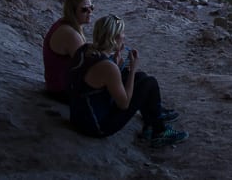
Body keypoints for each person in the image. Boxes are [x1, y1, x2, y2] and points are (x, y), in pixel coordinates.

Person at [68, 15, 188, 146]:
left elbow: (99, 79)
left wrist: (116, 61)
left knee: (141, 77)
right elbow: (124, 104)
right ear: (113, 38)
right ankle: (159, 132)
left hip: (78, 117)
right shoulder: (108, 67)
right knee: (149, 82)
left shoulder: (85, 50)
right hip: (96, 126)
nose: (124, 36)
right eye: (122, 33)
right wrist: (132, 70)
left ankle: (151, 123)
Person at [42, 0, 93, 102]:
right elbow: (88, 67)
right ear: (72, 11)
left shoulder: (65, 24)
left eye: (91, 8)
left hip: (56, 85)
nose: (90, 12)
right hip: (62, 90)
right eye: (84, 10)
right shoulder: (70, 33)